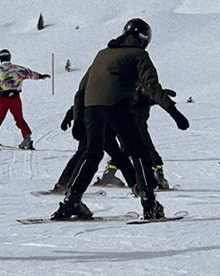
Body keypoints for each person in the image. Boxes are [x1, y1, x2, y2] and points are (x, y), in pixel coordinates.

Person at [54, 18, 189, 220]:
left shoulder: (102, 54)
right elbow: (152, 86)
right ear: (143, 38)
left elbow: (83, 88)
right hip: (117, 107)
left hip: (91, 109)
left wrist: (77, 117)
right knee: (138, 152)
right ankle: (149, 203)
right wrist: (174, 112)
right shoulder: (139, 55)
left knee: (92, 154)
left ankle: (71, 201)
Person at [52, 105, 138, 194]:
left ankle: (66, 185)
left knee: (115, 155)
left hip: (100, 122)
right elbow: (84, 98)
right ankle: (67, 185)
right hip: (94, 123)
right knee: (88, 154)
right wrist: (71, 115)